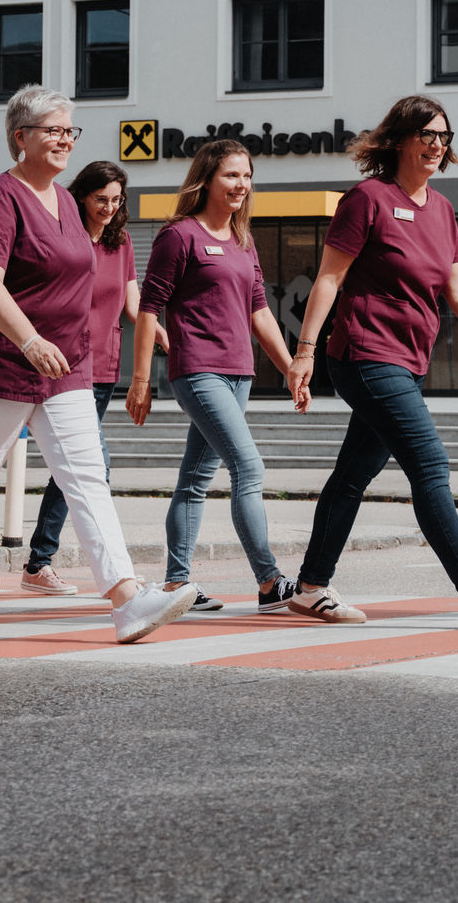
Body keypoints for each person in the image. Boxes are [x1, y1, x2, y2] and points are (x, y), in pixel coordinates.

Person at [0, 86, 197, 645]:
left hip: (65, 367)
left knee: (87, 478)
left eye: (70, 131)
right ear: (21, 138)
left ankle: (127, 600)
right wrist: (30, 340)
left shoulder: (64, 200)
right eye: (53, 131)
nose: (65, 140)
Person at [286, 95, 458, 630]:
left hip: (406, 361)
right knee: (429, 463)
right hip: (364, 352)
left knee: (352, 475)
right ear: (399, 140)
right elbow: (329, 278)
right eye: (426, 134)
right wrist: (304, 353)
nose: (436, 145)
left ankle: (310, 588)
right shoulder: (367, 200)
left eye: (444, 137)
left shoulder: (442, 210)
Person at [128, 139, 300, 614]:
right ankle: (268, 582)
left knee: (195, 479)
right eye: (232, 175)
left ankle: (176, 584)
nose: (242, 184)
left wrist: (290, 368)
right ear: (207, 179)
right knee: (248, 468)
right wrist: (140, 381)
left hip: (239, 373)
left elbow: (259, 312)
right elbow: (148, 309)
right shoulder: (178, 235)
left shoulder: (244, 241)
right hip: (198, 370)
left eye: (247, 176)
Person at [19, 159, 162, 597]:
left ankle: (38, 563)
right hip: (61, 365)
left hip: (102, 369)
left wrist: (166, 339)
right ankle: (101, 575)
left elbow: (134, 305)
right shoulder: (68, 239)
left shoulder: (121, 245)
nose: (109, 208)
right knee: (91, 467)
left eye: (117, 201)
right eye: (101, 199)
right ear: (81, 196)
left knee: (76, 468)